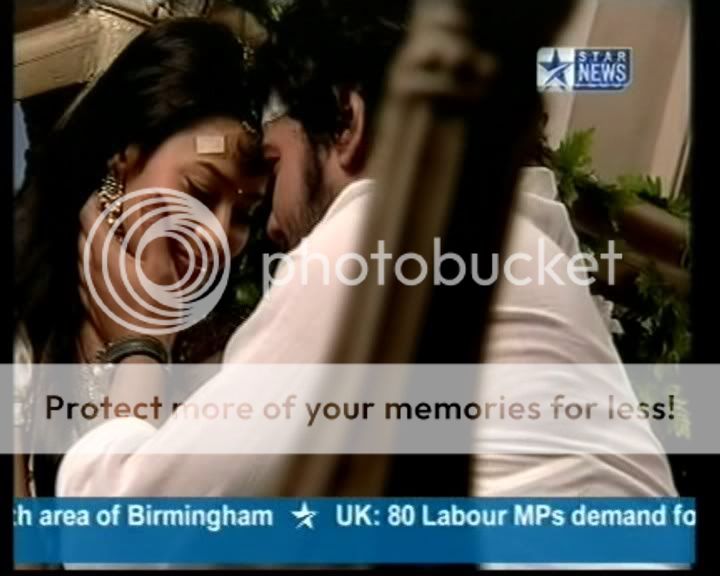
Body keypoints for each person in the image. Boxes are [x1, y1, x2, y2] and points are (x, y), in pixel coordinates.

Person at [58, 0, 675, 518]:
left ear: (347, 123)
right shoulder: (523, 255)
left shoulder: (376, 246)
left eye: (272, 169)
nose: (267, 227)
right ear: (121, 163)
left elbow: (129, 526)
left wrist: (136, 342)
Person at [14, 18, 267, 499]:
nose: (218, 236)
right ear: (120, 160)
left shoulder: (236, 362)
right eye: (198, 190)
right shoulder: (26, 331)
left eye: (245, 214)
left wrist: (143, 348)